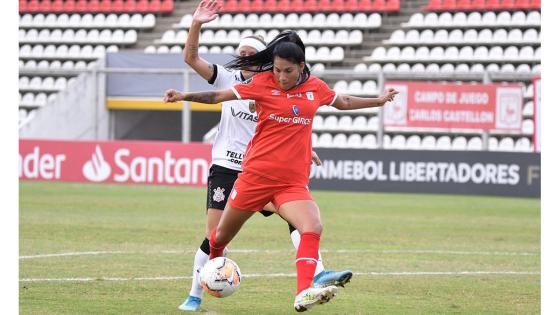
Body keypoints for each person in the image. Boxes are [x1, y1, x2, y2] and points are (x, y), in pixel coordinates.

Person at [166, 29, 398, 312]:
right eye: (277, 70)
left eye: (287, 71)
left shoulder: (315, 87)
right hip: (254, 179)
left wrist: (378, 100)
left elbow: (344, 102)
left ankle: (303, 293)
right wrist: (183, 95)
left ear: (301, 67)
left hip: (291, 183)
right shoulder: (262, 82)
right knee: (218, 238)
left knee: (312, 226)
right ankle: (209, 276)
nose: (281, 76)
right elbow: (218, 96)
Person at [177, 1, 352, 312]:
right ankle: (195, 294)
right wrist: (196, 24)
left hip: (264, 171)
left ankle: (316, 274)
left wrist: (305, 149)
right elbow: (191, 58)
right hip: (228, 169)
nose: (243, 55)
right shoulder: (226, 78)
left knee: (300, 219)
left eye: (250, 52)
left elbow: (289, 124)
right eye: (241, 51)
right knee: (214, 236)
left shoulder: (276, 85)